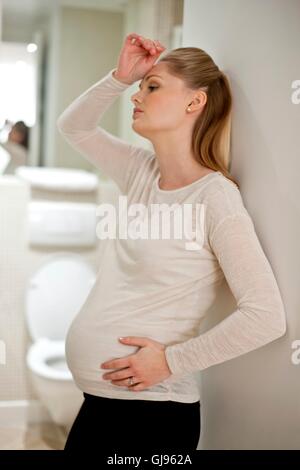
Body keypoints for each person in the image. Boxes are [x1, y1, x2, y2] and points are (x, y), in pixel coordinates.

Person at [57, 33, 287, 451]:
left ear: (194, 102)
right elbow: (73, 126)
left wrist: (171, 361)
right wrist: (121, 76)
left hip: (151, 416)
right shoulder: (140, 171)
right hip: (102, 404)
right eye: (141, 87)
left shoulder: (215, 197)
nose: (136, 96)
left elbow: (266, 315)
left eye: (153, 86)